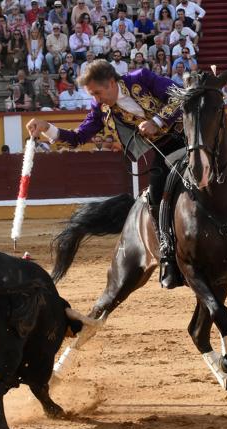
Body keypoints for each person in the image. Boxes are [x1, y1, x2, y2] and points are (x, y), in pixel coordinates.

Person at [25, 60, 186, 288]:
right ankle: (168, 255)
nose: (96, 99)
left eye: (97, 93)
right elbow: (78, 138)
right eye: (92, 94)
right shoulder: (100, 108)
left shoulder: (142, 78)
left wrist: (156, 121)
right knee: (156, 196)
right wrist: (46, 127)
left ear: (111, 83)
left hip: (192, 132)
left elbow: (180, 96)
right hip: (165, 148)